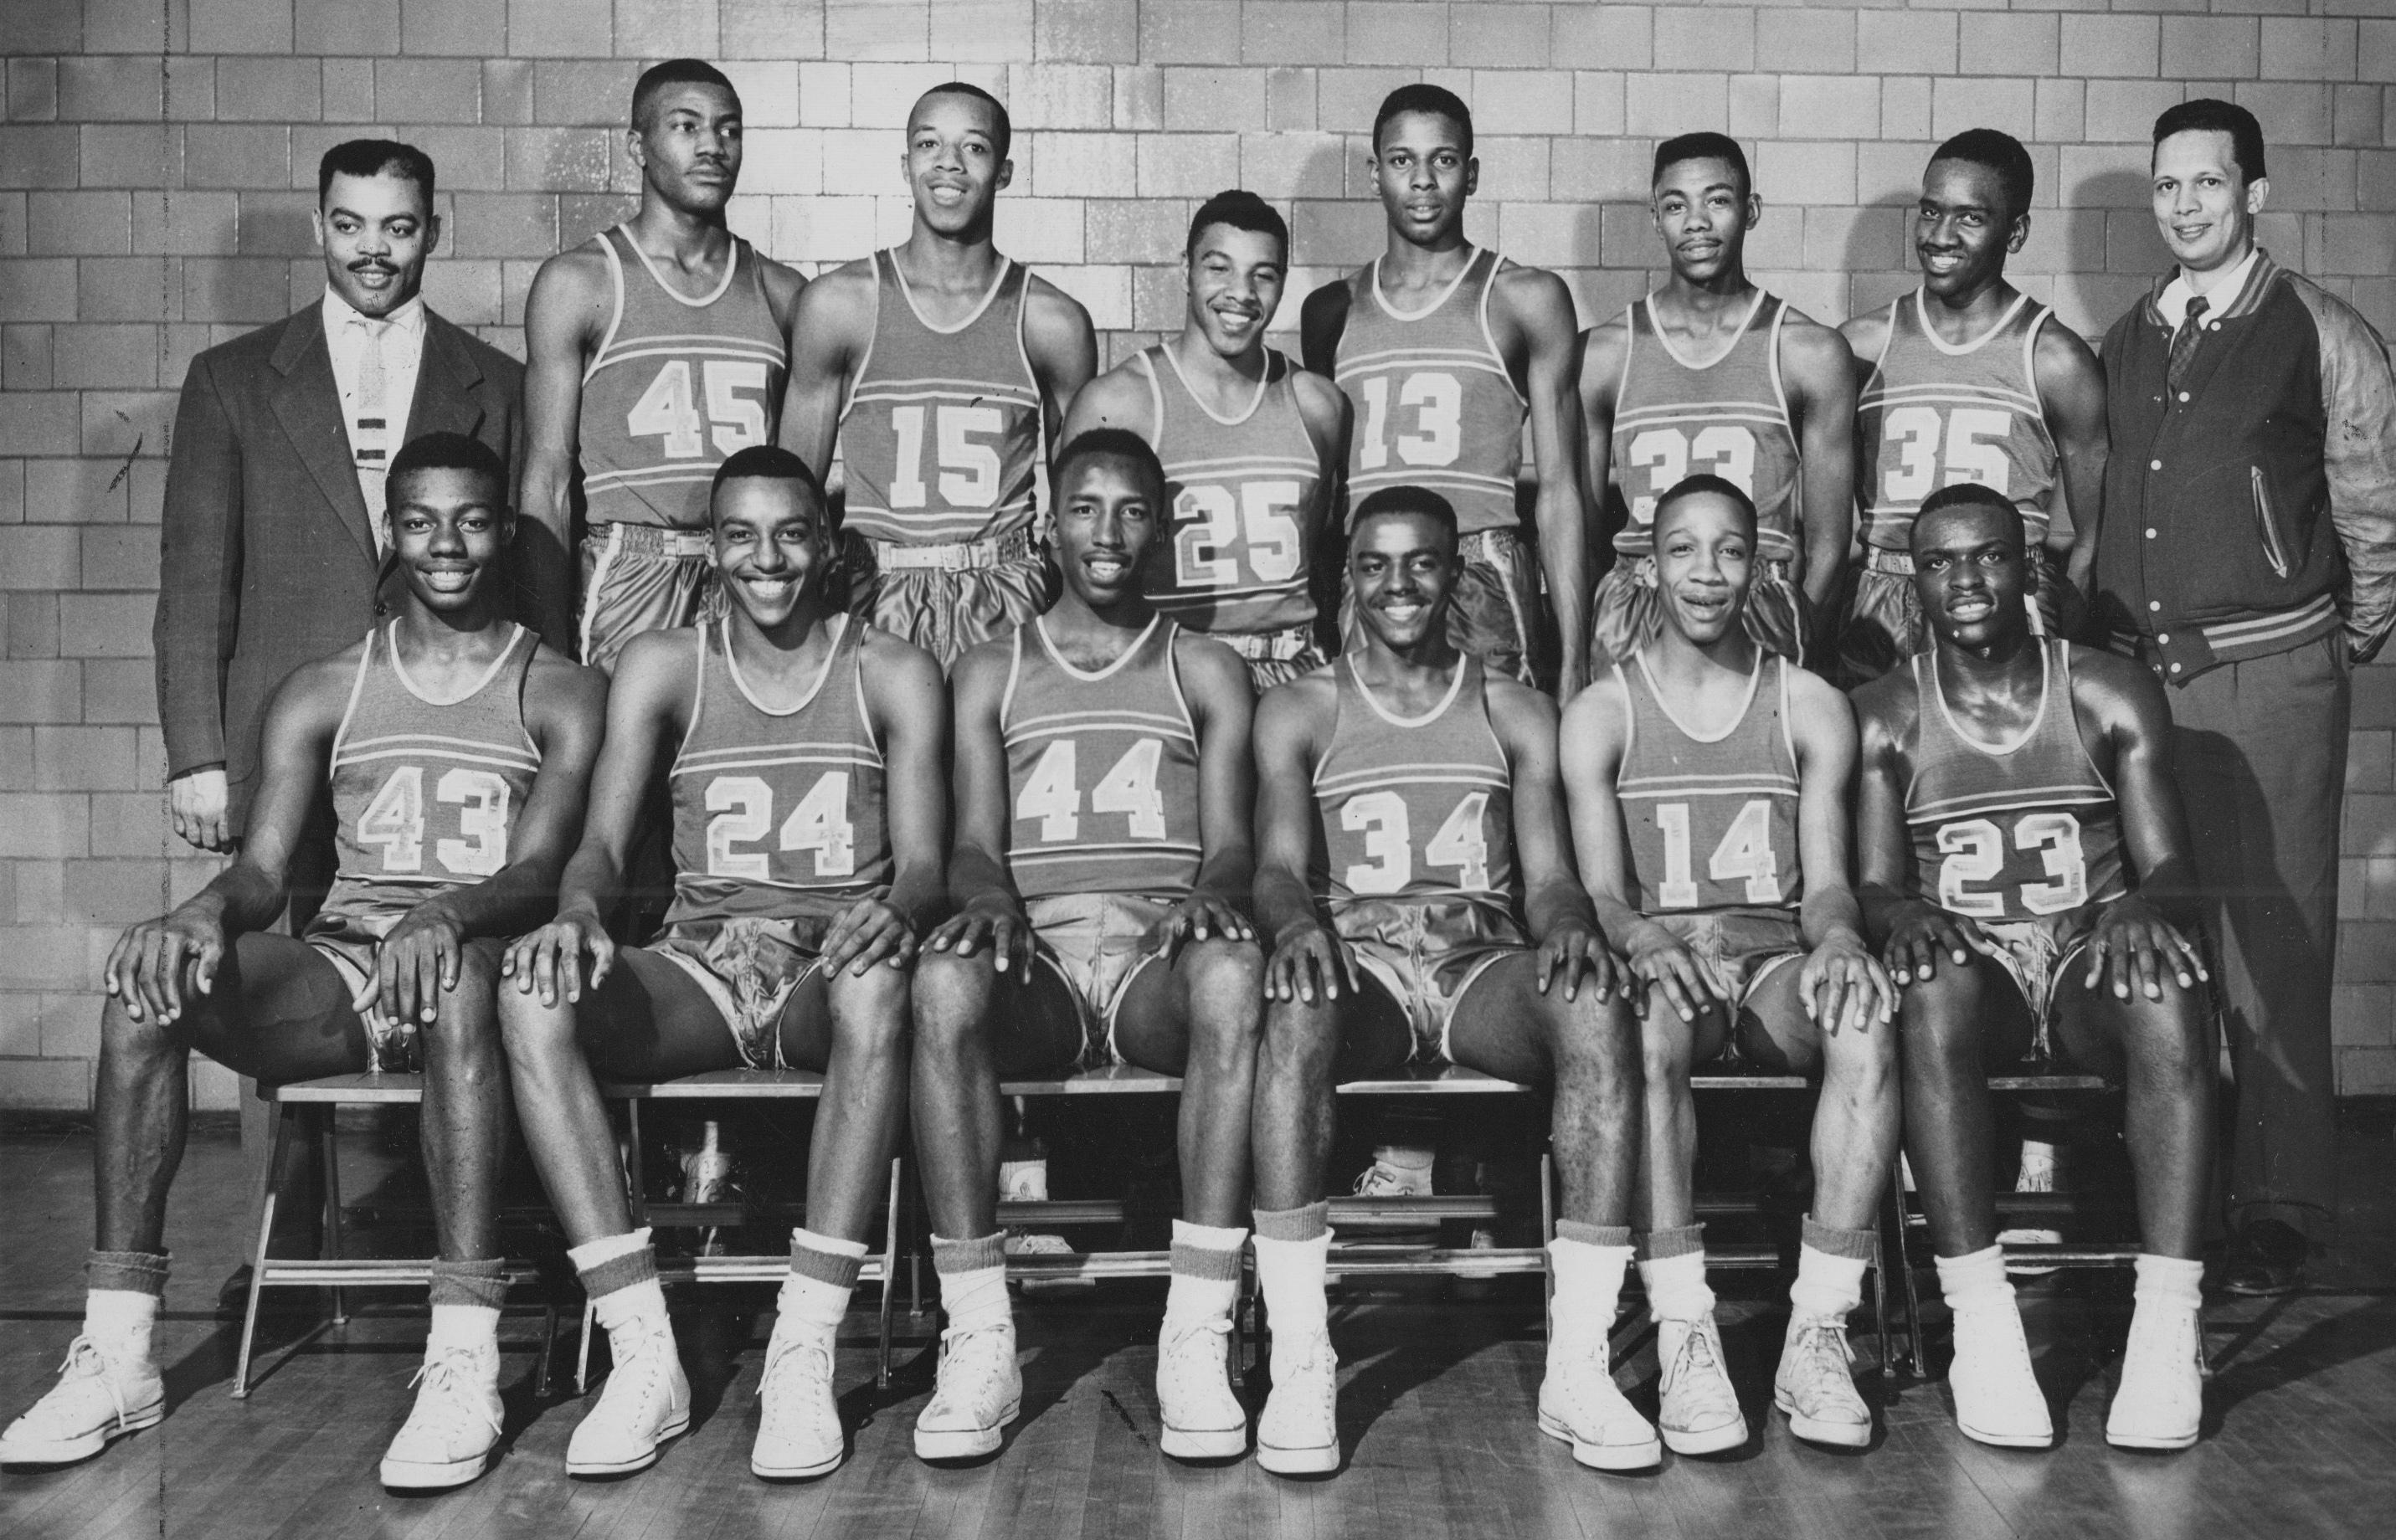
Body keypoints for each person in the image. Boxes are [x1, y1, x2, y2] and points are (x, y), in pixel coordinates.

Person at [0, 435, 604, 1488]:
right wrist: (196, 914)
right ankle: (120, 1349)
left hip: (477, 968)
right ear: (390, 531)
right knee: (144, 997)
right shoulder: (327, 685)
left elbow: (543, 867)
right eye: (419, 520)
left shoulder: (559, 686)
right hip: (352, 967)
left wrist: (448, 916)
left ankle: (462, 1352)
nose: (445, 543)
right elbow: (266, 867)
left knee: (460, 976)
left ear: (505, 529)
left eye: (470, 519)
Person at [495, 446, 947, 1481]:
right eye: (741, 535)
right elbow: (603, 847)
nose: (768, 557)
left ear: (825, 543)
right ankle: (643, 1349)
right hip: (701, 963)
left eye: (791, 533)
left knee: (883, 982)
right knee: (530, 989)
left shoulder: (890, 666)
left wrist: (897, 912)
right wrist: (575, 912)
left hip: (826, 969)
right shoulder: (664, 663)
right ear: (711, 547)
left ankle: (803, 1347)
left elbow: (924, 863)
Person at [1247, 487, 1653, 1476]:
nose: (1399, 585)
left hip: (1477, 965)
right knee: (1294, 1004)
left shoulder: (1512, 705)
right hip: (1366, 968)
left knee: (1596, 1003)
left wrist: (1567, 932)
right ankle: (1304, 1357)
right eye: (1376, 565)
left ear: (1456, 572)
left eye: (1422, 563)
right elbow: (1272, 868)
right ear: (1349, 580)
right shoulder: (1303, 706)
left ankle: (1579, 1363)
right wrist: (1299, 923)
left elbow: (1551, 879)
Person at [2087, 99, 2396, 1296]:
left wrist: (2340, 635)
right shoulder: (2127, 334)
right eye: (2165, 187)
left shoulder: (2318, 328)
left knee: (2276, 933)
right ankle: (2184, 1189)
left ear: (2252, 194)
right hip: (2146, 680)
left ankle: (2279, 1203)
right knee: (2168, 934)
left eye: (2206, 185)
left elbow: (2373, 496)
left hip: (2269, 668)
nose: (2182, 206)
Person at [911, 429, 1265, 1462]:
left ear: (1161, 528)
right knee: (941, 984)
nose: (1107, 533)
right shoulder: (990, 667)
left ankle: (1195, 1329)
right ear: (1047, 522)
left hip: (1161, 953)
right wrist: (993, 903)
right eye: (1084, 508)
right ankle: (978, 1332)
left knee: (1236, 973)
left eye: (1131, 511)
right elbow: (973, 844)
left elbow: (1236, 839)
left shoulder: (1205, 665)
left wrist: (1212, 895)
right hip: (1046, 961)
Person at [1854, 483, 2216, 1451]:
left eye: (1988, 556)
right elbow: (1876, 885)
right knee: (1927, 988)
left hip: (2087, 944)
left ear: (2028, 566)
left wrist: (2144, 901)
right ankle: (1984, 1318)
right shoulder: (1883, 713)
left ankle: (2166, 1325)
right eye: (1939, 562)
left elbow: (2174, 866)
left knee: (2167, 985)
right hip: (1979, 966)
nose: (1965, 579)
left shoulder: (2104, 686)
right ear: (1913, 580)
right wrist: (1907, 914)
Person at [1560, 475, 1897, 1455]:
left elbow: (1829, 884)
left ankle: (1819, 1330)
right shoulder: (1604, 708)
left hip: (1770, 957)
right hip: (1668, 958)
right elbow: (1604, 894)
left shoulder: (1810, 701)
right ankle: (1685, 1325)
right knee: (1645, 1027)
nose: (1707, 573)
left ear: (1762, 564)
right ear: (1648, 564)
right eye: (1683, 550)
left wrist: (1836, 937)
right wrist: (1649, 941)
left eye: (1731, 551)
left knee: (1867, 1023)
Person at [156, 138, 532, 853]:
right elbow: (193, 586)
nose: (373, 250)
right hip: (279, 734)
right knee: (283, 951)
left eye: (398, 227)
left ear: (433, 232)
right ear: (317, 227)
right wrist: (197, 756)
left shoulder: (502, 385)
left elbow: (526, 583)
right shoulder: (229, 380)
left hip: (449, 739)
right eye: (349, 224)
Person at [778, 82, 1098, 666]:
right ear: (906, 164)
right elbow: (788, 492)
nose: (948, 162)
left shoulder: (1051, 321)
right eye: (929, 143)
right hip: (877, 591)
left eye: (973, 147)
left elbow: (1085, 497)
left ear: (1003, 172)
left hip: (1005, 592)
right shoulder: (841, 304)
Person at [1300, 85, 1590, 696]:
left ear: (1472, 174)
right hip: (1374, 573)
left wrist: (1574, 656)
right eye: (1403, 160)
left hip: (1481, 568)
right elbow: (1325, 499)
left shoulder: (1525, 299)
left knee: (1492, 769)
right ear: (1375, 174)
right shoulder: (1330, 310)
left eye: (1445, 160)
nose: (1424, 180)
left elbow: (1561, 489)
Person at [518, 59, 806, 674]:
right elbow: (548, 479)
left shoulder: (783, 292)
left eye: (729, 130)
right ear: (637, 146)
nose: (712, 146)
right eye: (685, 126)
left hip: (749, 571)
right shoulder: (581, 282)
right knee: (625, 767)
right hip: (630, 572)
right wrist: (547, 644)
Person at [1838, 129, 2107, 687]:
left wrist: (2061, 620)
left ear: (2016, 232)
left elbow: (2093, 534)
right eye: (1931, 212)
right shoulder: (1861, 348)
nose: (1940, 236)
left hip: (2002, 599)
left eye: (1969, 218)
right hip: (1884, 599)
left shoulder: (2055, 358)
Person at [1581, 135, 1856, 671]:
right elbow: (1584, 533)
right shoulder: (1604, 353)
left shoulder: (1807, 351)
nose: (1697, 221)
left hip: (1759, 601)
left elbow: (1829, 546)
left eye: (1717, 200)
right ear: (1655, 217)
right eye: (1676, 205)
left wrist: (1803, 641)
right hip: (1639, 600)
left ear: (1750, 211)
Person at [1062, 191, 1348, 691]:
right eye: (1219, 268)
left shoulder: (1318, 405)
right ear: (1185, 270)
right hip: (1172, 673)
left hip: (1295, 670)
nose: (1241, 293)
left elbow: (1323, 544)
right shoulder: (1120, 401)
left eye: (1264, 274)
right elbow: (1076, 560)